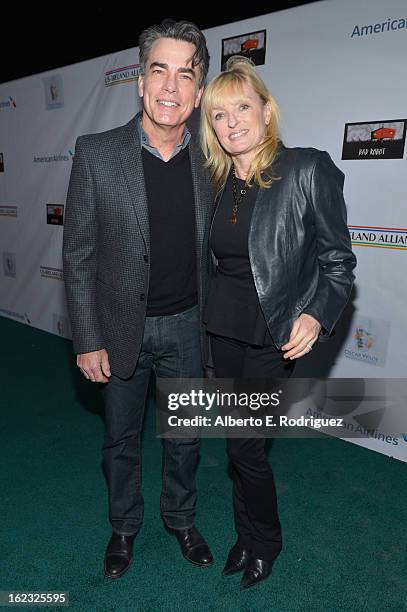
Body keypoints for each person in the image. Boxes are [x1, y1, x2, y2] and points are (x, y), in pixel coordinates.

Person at [63, 20, 214, 579]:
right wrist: (87, 338)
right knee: (120, 439)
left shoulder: (214, 160)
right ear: (140, 82)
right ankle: (123, 526)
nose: (170, 88)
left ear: (199, 92)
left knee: (185, 437)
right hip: (120, 327)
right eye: (159, 71)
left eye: (185, 75)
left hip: (188, 327)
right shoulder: (97, 153)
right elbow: (77, 252)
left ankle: (181, 517)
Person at [200, 56, 356, 589]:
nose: (233, 122)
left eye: (243, 107)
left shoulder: (306, 169)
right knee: (236, 444)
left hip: (274, 332)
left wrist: (316, 313)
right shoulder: (217, 181)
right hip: (222, 330)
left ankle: (265, 541)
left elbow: (339, 263)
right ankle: (245, 536)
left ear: (267, 112)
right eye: (219, 115)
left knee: (244, 446)